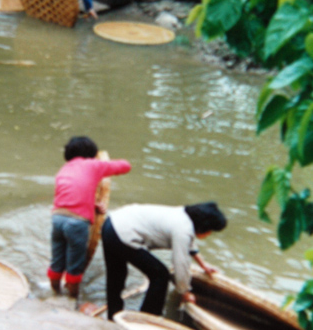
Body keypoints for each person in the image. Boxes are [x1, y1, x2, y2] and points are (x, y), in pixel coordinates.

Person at [101, 202, 227, 320]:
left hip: (111, 223)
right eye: (210, 230)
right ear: (203, 226)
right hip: (122, 233)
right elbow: (181, 264)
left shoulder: (183, 214)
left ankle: (113, 316)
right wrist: (185, 291)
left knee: (116, 276)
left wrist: (203, 265)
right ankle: (148, 319)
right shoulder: (183, 230)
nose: (209, 234)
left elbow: (190, 243)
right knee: (160, 275)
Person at [47, 136, 131, 298]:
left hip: (57, 218)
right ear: (91, 153)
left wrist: (92, 204)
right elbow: (125, 166)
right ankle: (72, 298)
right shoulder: (93, 165)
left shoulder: (64, 169)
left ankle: (54, 292)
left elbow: (69, 195)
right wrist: (104, 161)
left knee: (57, 260)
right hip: (77, 223)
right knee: (75, 265)